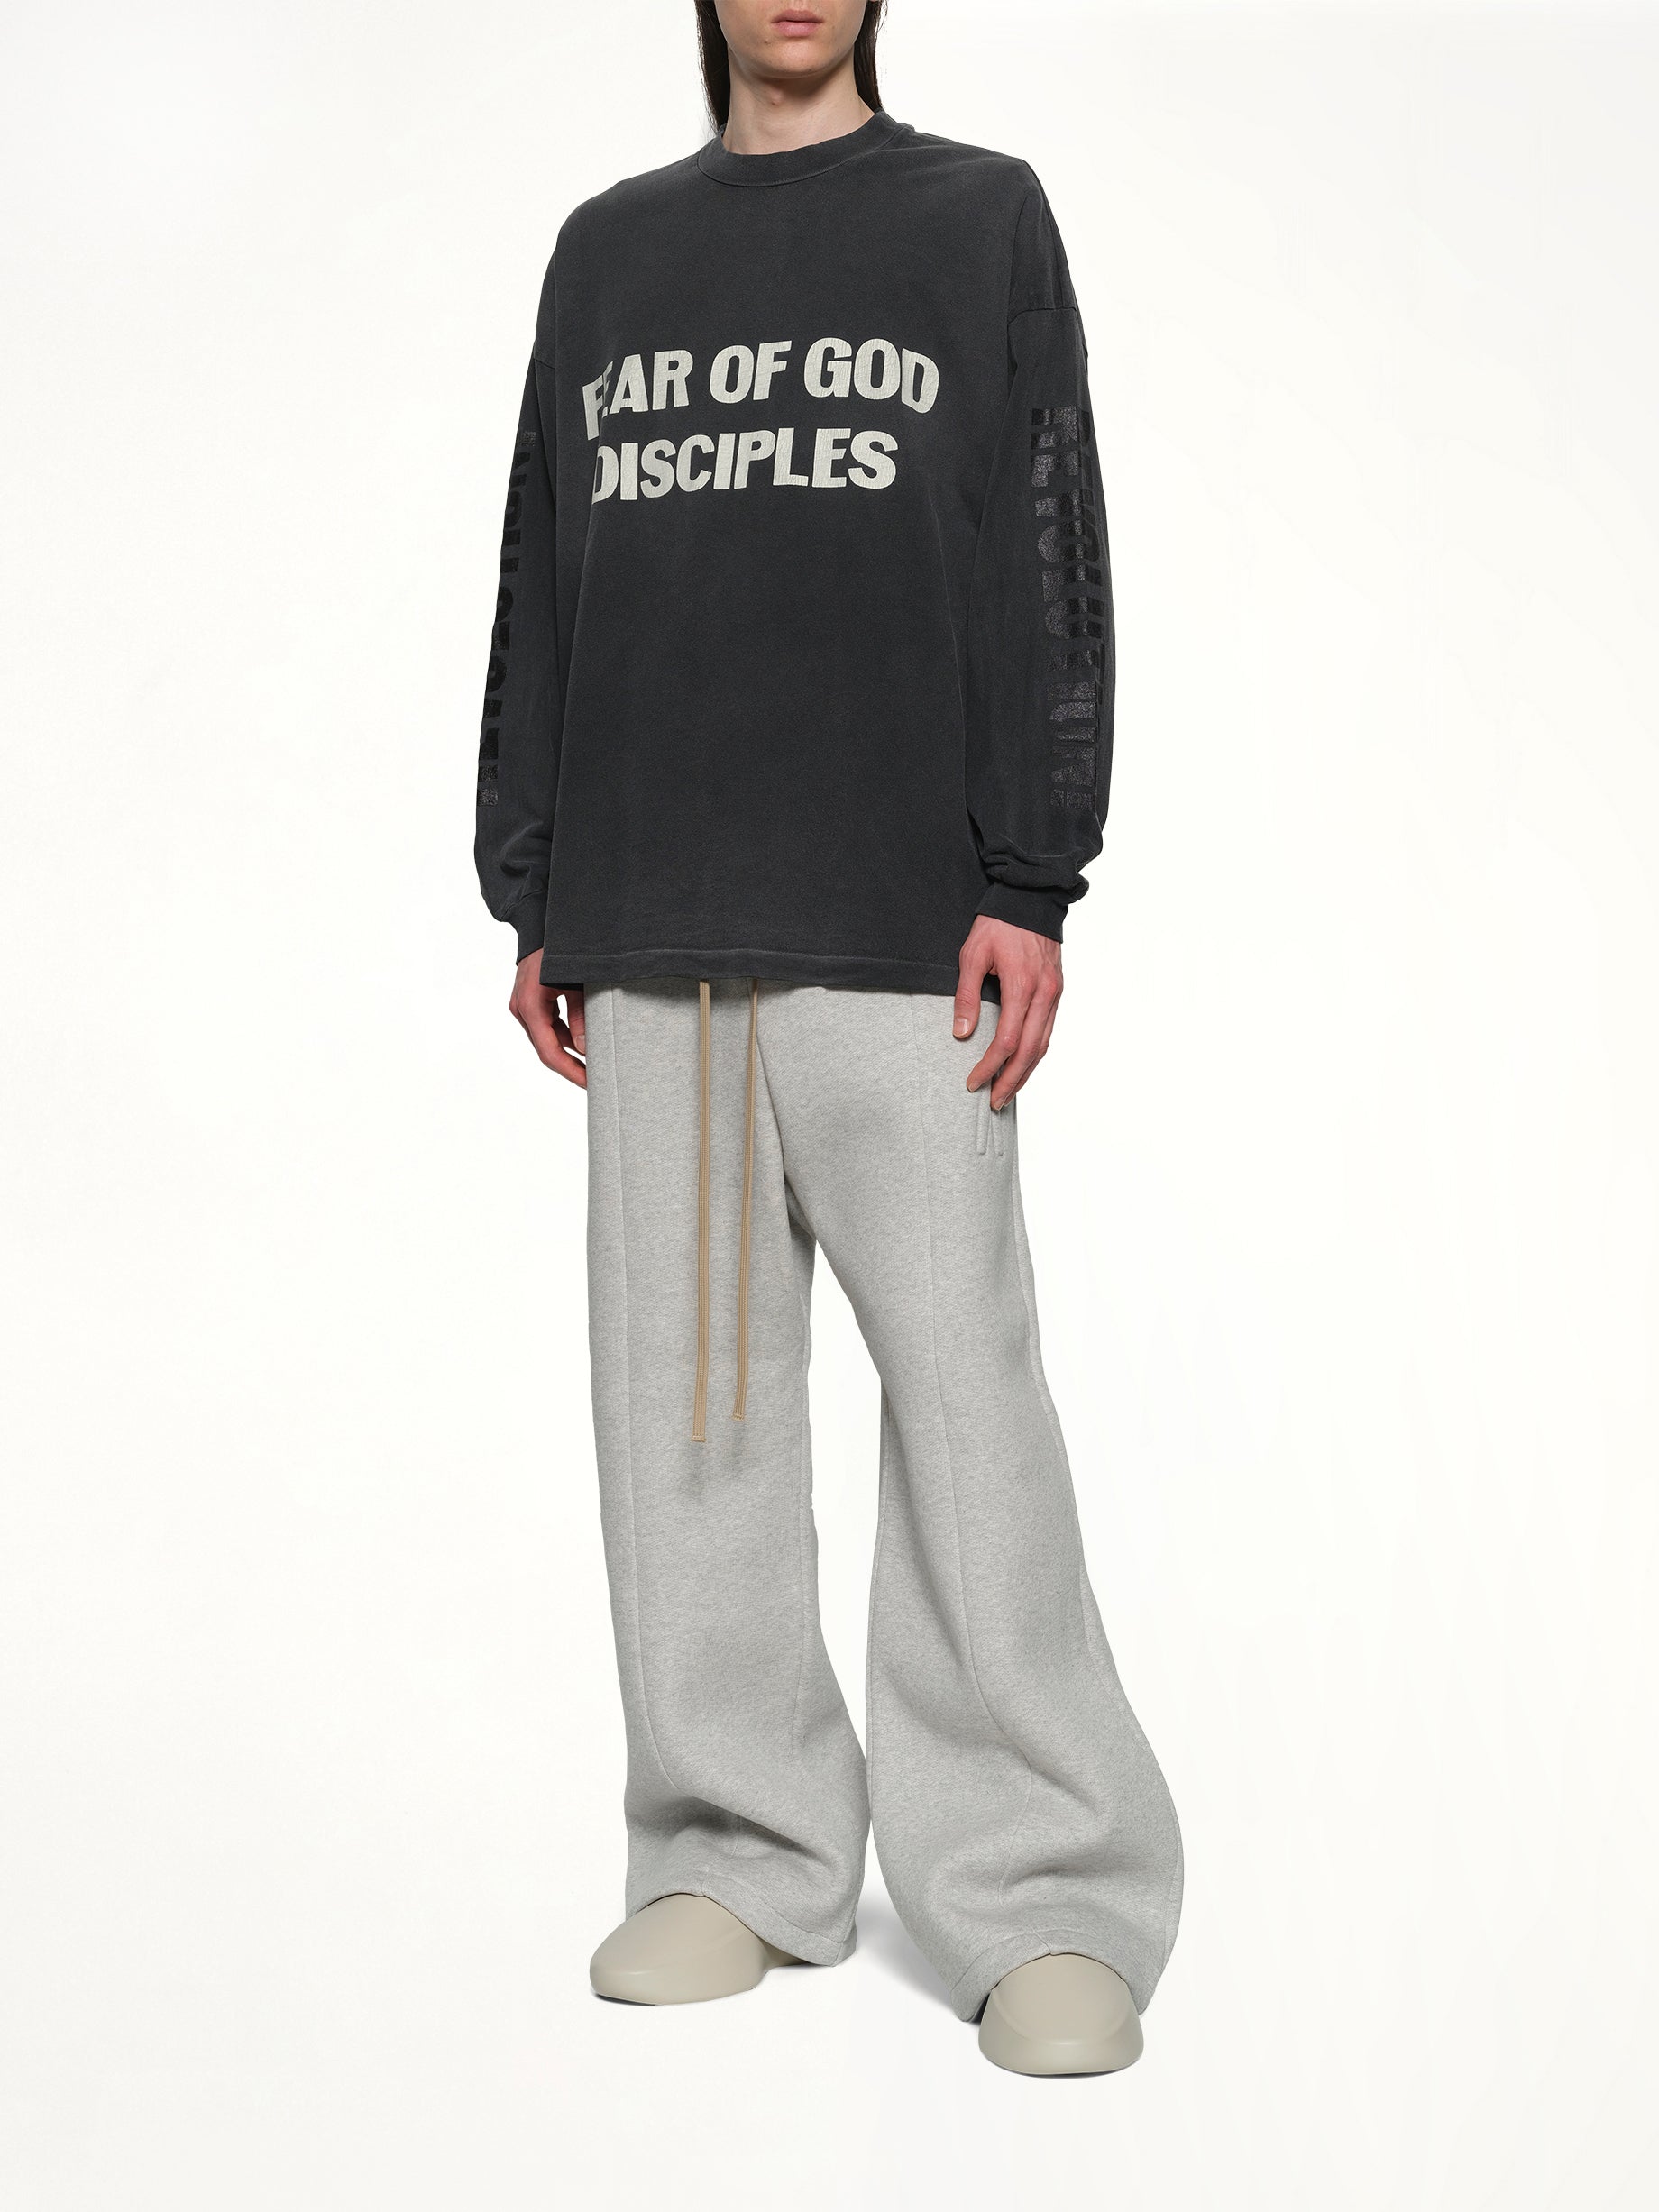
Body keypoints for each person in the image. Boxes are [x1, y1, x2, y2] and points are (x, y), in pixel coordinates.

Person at [473, 0, 1181, 2077]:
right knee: (683, 1414)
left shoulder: (972, 220)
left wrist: (1031, 869)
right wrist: (534, 874)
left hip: (897, 916)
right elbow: (543, 565)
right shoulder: (609, 249)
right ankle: (729, 1851)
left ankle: (1039, 1889)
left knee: (964, 1403)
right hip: (651, 910)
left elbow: (1045, 538)